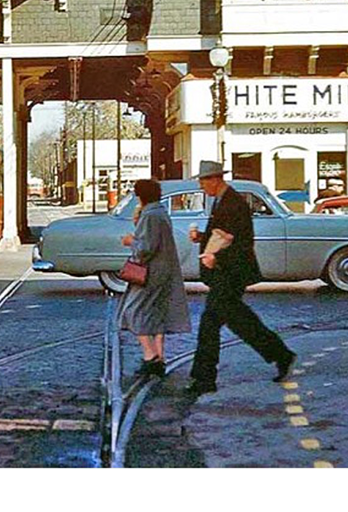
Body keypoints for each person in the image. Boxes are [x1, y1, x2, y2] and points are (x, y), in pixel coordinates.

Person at [186, 161, 295, 396]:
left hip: (230, 273)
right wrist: (203, 238)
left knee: (210, 324)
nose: (202, 186)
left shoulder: (233, 203)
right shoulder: (224, 200)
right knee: (240, 321)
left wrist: (217, 258)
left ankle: (204, 379)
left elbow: (239, 243)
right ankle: (281, 354)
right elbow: (222, 236)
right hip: (227, 273)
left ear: (215, 179)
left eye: (203, 181)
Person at [120, 179, 190, 378]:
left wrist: (130, 241)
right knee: (156, 311)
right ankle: (160, 356)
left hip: (150, 272)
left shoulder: (150, 215)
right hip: (164, 271)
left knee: (133, 309)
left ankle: (150, 356)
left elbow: (145, 248)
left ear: (140, 195)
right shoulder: (161, 212)